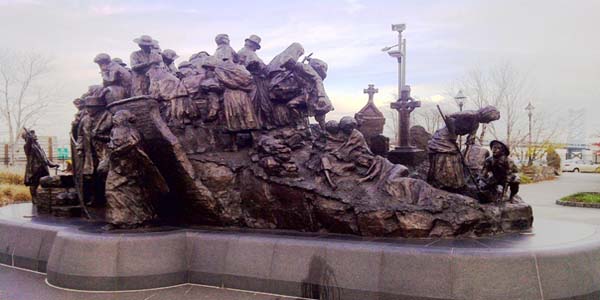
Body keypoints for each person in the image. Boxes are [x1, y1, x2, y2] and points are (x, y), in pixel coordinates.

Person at [105, 110, 168, 229]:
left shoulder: (132, 131)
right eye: (114, 117)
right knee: (111, 190)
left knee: (136, 193)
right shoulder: (114, 131)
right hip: (116, 165)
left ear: (124, 119)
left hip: (131, 165)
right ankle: (116, 220)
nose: (114, 119)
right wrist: (112, 149)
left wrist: (119, 150)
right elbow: (111, 144)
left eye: (117, 117)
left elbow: (135, 144)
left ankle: (143, 219)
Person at [427, 106, 500, 191]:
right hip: (444, 136)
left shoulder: (475, 125)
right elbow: (448, 116)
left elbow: (470, 143)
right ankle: (439, 182)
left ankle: (451, 184)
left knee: (456, 158)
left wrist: (465, 158)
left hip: (452, 139)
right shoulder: (470, 114)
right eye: (488, 120)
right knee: (446, 155)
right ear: (485, 115)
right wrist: (452, 133)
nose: (487, 122)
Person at [22, 128, 58, 200]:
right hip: (34, 169)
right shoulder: (27, 146)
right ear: (28, 137)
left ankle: (44, 198)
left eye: (34, 133)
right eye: (33, 134)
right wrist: (29, 136)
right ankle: (34, 198)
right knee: (34, 184)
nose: (35, 135)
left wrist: (51, 164)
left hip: (42, 167)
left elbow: (44, 157)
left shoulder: (38, 145)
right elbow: (29, 141)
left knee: (45, 183)